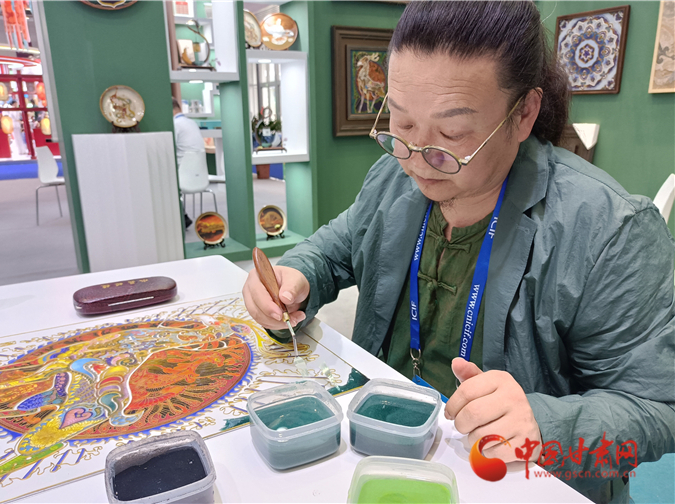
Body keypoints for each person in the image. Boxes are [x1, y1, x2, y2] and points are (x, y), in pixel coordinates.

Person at [242, 2, 675, 502]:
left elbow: (659, 408)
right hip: (381, 451)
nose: (417, 158)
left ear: (523, 114)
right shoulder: (394, 178)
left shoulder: (608, 229)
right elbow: (335, 248)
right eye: (401, 123)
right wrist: (296, 276)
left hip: (513, 480)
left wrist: (546, 424)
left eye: (451, 134)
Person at [172, 97, 207, 228]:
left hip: (183, 172)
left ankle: (181, 217)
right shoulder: (192, 123)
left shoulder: (175, 125)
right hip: (199, 174)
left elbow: (170, 146)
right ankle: (183, 216)